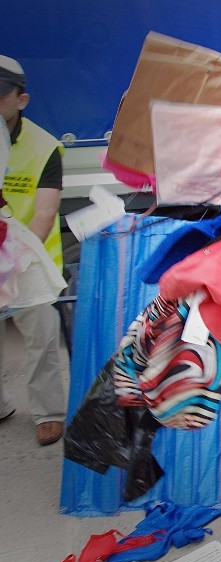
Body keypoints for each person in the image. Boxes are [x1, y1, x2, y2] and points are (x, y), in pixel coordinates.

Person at [0, 55, 67, 445]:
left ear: (21, 99)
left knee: (42, 338)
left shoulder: (44, 148)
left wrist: (11, 266)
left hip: (28, 264)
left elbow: (44, 214)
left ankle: (47, 412)